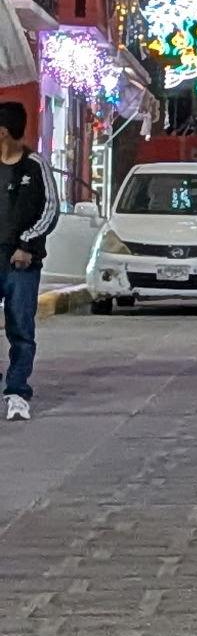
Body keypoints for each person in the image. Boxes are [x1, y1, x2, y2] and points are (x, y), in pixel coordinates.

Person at [0, 101, 60, 422]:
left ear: (4, 132)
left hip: (21, 262)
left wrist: (27, 243)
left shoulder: (35, 166)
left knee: (21, 326)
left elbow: (50, 209)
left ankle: (17, 391)